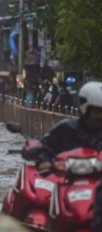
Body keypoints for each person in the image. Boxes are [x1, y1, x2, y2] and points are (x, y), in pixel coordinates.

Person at [29, 82, 102, 231]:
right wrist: (44, 161)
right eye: (97, 111)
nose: (100, 116)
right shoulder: (66, 129)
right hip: (66, 181)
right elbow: (44, 147)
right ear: (85, 108)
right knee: (38, 201)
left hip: (98, 185)